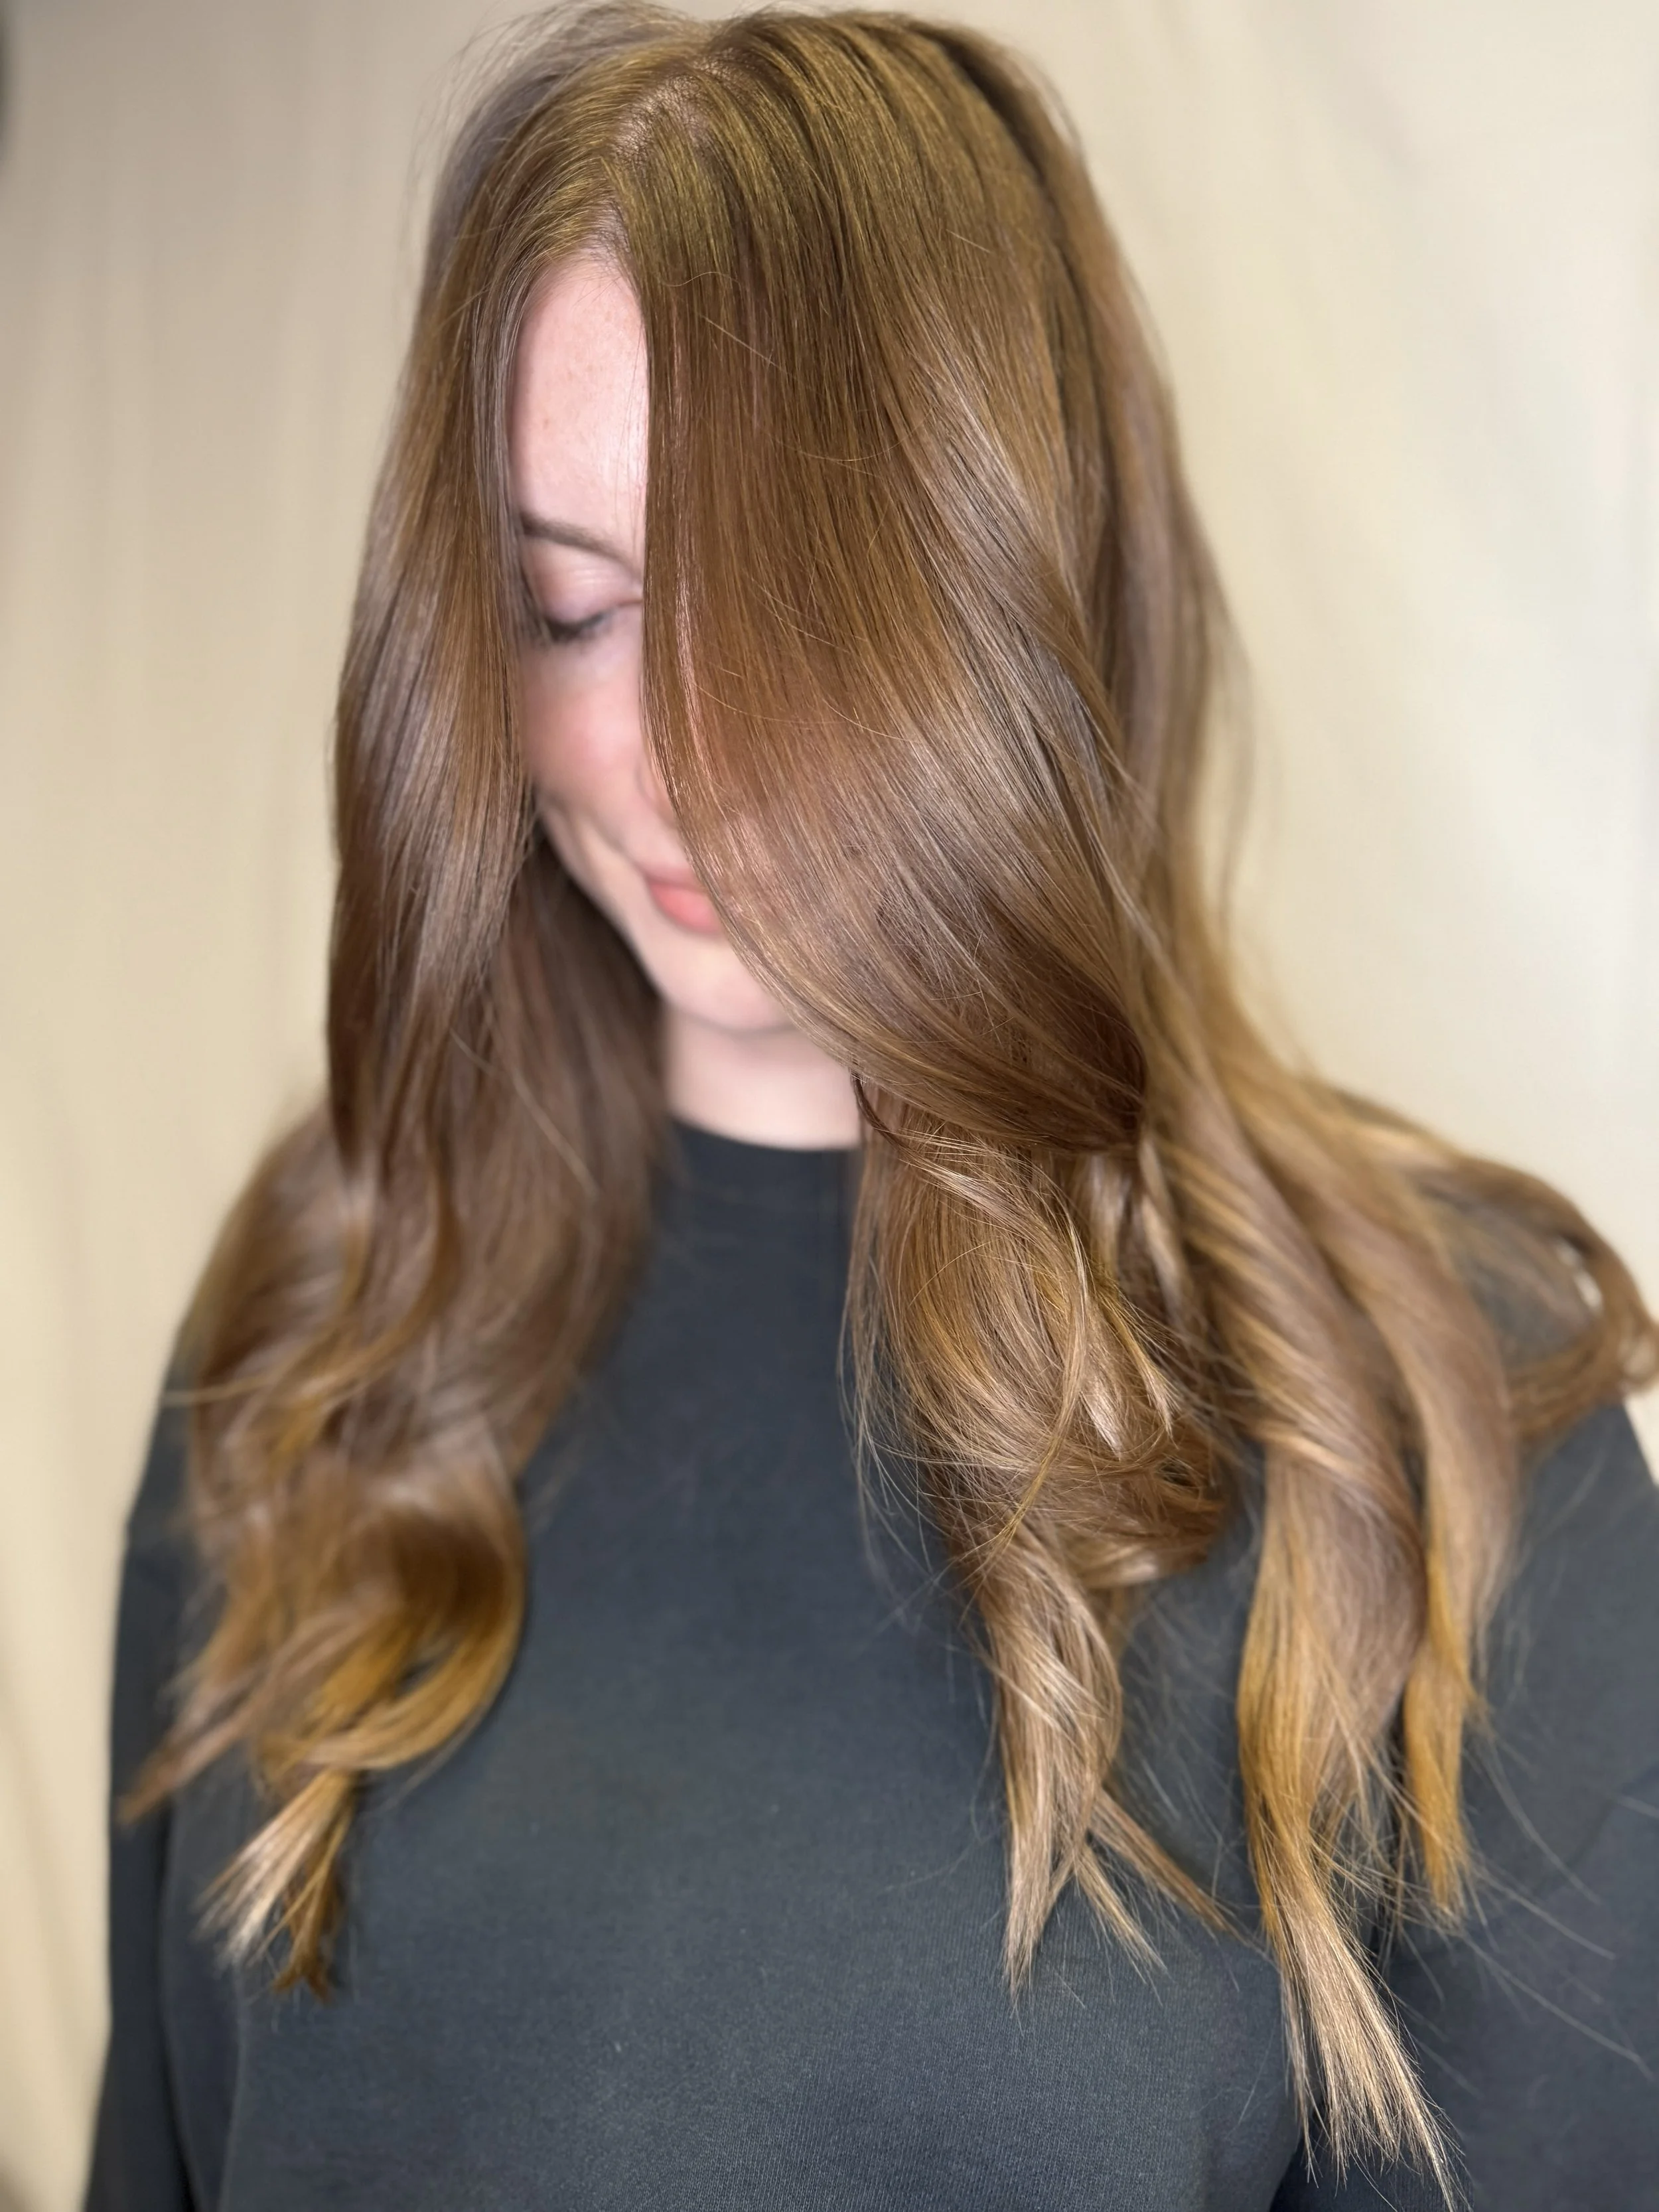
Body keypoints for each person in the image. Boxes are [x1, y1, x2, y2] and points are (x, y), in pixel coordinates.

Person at [86, 7, 1659, 2208]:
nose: (658, 753)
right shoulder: (327, 1311)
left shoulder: (1450, 1412)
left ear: (1025, 588)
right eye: (568, 603)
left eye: (789, 614)